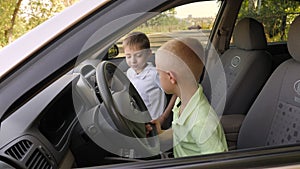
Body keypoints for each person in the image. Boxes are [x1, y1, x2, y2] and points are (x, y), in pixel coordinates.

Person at [147, 37, 228, 158]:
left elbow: (218, 162)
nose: (158, 77)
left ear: (171, 77)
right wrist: (160, 135)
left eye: (159, 73)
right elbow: (181, 132)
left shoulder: (201, 121)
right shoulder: (182, 101)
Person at [122, 32, 167, 120]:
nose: (133, 61)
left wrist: (164, 117)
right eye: (128, 56)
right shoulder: (130, 72)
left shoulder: (154, 74)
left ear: (148, 53)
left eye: (138, 55)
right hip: (139, 118)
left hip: (154, 121)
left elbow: (175, 92)